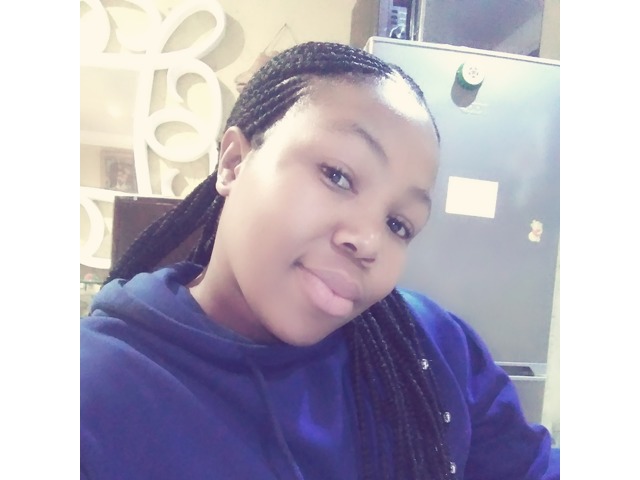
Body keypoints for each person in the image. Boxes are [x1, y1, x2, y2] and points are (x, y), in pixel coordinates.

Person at [80, 41, 560, 479]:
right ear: (233, 163)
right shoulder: (92, 392)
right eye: (338, 176)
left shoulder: (432, 345)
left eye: (399, 224)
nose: (369, 241)